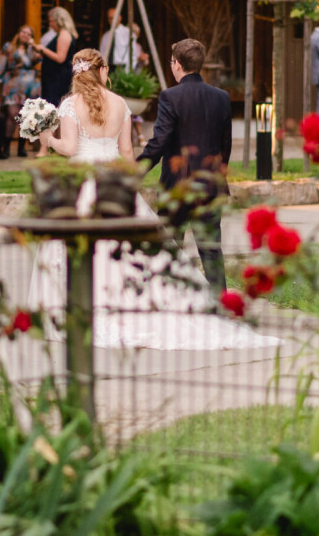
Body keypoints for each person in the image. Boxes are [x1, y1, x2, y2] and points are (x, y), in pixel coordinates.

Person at [33, 48, 277, 351]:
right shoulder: (121, 104)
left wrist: (47, 139)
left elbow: (71, 149)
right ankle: (195, 307)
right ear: (102, 70)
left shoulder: (70, 105)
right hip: (126, 183)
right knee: (180, 250)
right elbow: (126, 151)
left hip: (83, 184)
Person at [136, 38, 232, 293]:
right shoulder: (222, 97)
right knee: (211, 251)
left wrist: (134, 171)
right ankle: (222, 305)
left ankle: (168, 302)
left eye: (171, 61)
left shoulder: (170, 97)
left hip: (177, 188)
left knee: (169, 251)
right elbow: (226, 147)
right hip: (210, 187)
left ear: (177, 64)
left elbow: (159, 142)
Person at [36, 7, 76, 156]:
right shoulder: (62, 34)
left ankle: (44, 148)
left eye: (51, 20)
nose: (50, 23)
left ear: (59, 20)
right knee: (55, 111)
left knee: (50, 111)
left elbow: (60, 58)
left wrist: (42, 49)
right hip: (53, 78)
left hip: (57, 80)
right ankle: (54, 148)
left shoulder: (64, 35)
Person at [0, 25, 41, 158]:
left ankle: (21, 147)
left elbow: (40, 60)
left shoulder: (32, 50)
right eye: (23, 32)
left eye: (29, 34)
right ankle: (6, 146)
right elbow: (1, 64)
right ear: (18, 33)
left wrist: (33, 46)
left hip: (29, 87)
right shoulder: (9, 47)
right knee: (12, 115)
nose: (25, 35)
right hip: (12, 85)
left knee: (25, 117)